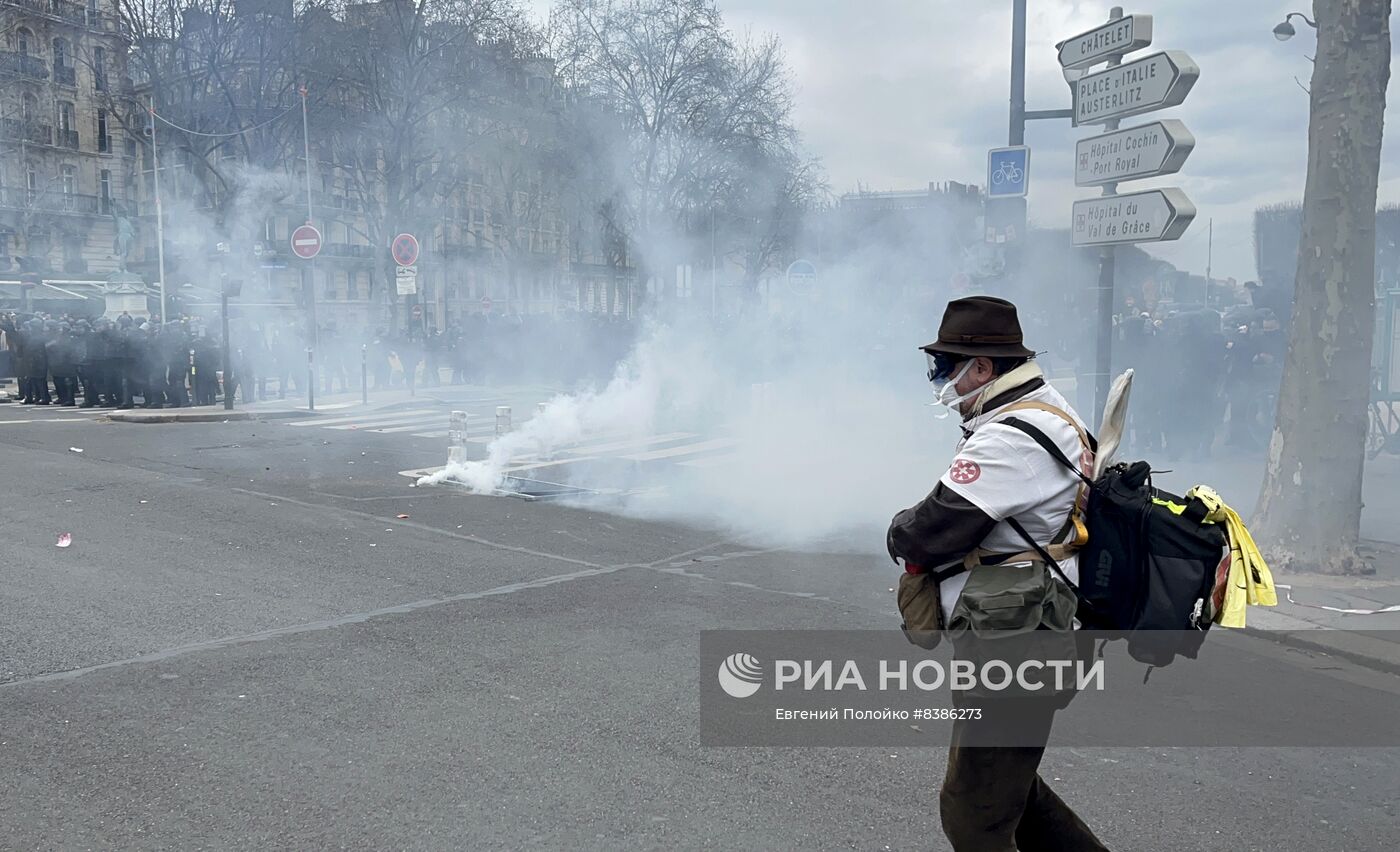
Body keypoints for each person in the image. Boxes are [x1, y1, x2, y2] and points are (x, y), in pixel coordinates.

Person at [886, 296, 1108, 852]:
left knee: (973, 815)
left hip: (1015, 644)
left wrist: (897, 528)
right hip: (1025, 632)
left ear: (981, 369)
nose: (942, 381)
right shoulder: (1047, 406)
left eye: (947, 367)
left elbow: (928, 530)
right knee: (1011, 792)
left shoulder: (1009, 438)